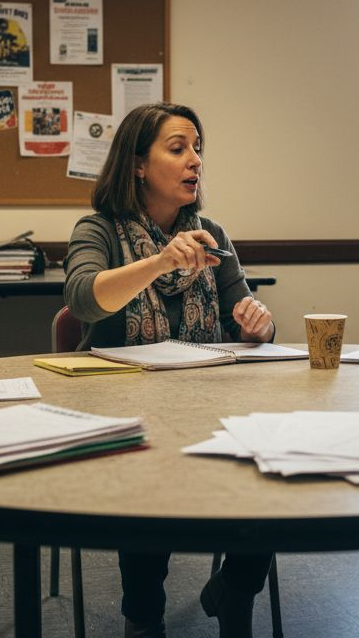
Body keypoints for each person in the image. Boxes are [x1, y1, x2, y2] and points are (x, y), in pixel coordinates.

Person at [63, 102, 276, 638]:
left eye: (197, 148)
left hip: (209, 399)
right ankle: (144, 617)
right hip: (126, 411)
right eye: (178, 148)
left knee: (268, 463)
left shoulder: (211, 233)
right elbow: (84, 302)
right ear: (137, 164)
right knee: (147, 477)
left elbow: (249, 318)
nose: (194, 161)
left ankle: (237, 590)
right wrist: (161, 261)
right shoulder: (99, 229)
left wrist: (257, 325)